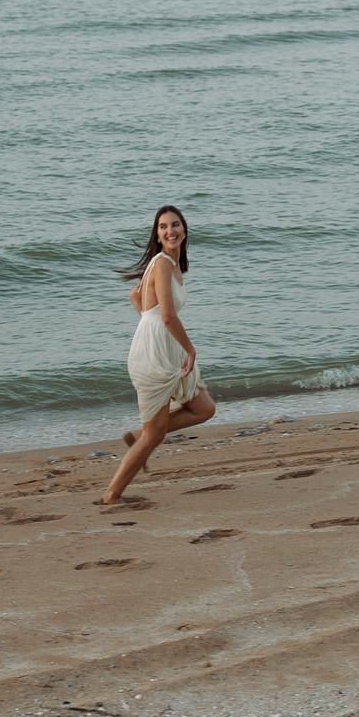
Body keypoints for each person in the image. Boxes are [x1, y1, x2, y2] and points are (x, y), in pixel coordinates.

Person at [97, 206, 216, 505]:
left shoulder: (170, 265)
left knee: (204, 409)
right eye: (163, 227)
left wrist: (148, 324)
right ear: (157, 234)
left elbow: (135, 296)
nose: (170, 231)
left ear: (185, 230)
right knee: (155, 435)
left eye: (175, 225)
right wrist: (188, 348)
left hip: (164, 347)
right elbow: (166, 316)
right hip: (154, 354)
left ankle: (139, 434)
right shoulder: (162, 264)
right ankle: (112, 494)